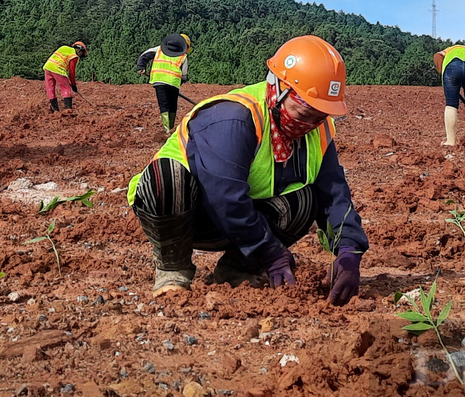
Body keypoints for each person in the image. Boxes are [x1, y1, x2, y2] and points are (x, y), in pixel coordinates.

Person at [127, 35, 368, 305]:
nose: (310, 124)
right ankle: (173, 268)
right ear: (278, 90)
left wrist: (349, 250)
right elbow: (224, 195)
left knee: (303, 202)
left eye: (320, 115)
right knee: (168, 177)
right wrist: (271, 252)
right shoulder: (234, 117)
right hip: (184, 211)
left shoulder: (319, 132)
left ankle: (237, 269)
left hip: (240, 222)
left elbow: (334, 195)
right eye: (303, 113)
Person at [136, 33, 192, 131]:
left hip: (158, 80)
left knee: (163, 104)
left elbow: (144, 56)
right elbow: (184, 75)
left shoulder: (159, 49)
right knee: (172, 104)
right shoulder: (183, 56)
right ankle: (170, 126)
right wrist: (178, 83)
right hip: (174, 83)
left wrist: (141, 67)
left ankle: (167, 129)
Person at [43, 41, 87, 114]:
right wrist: (73, 85)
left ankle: (55, 110)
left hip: (47, 67)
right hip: (58, 69)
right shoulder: (74, 56)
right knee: (66, 88)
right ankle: (68, 109)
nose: (80, 55)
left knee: (50, 89)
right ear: (79, 49)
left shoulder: (63, 47)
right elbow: (72, 72)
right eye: (82, 53)